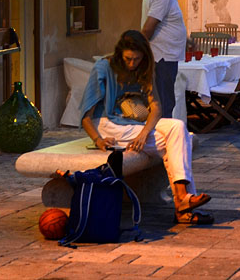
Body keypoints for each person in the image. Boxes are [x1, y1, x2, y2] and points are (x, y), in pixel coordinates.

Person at [80, 30, 212, 225]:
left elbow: (156, 108)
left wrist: (144, 134)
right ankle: (183, 204)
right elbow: (86, 116)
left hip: (135, 124)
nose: (132, 63)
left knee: (177, 129)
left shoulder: (145, 68)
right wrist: (98, 140)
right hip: (109, 123)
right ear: (120, 54)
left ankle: (183, 200)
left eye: (137, 59)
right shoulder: (104, 67)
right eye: (128, 59)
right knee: (178, 139)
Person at [141, 0, 188, 118]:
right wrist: (141, 51)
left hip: (166, 56)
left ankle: (164, 130)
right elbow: (148, 28)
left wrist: (186, 40)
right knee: (164, 102)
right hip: (162, 57)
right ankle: (163, 132)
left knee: (166, 100)